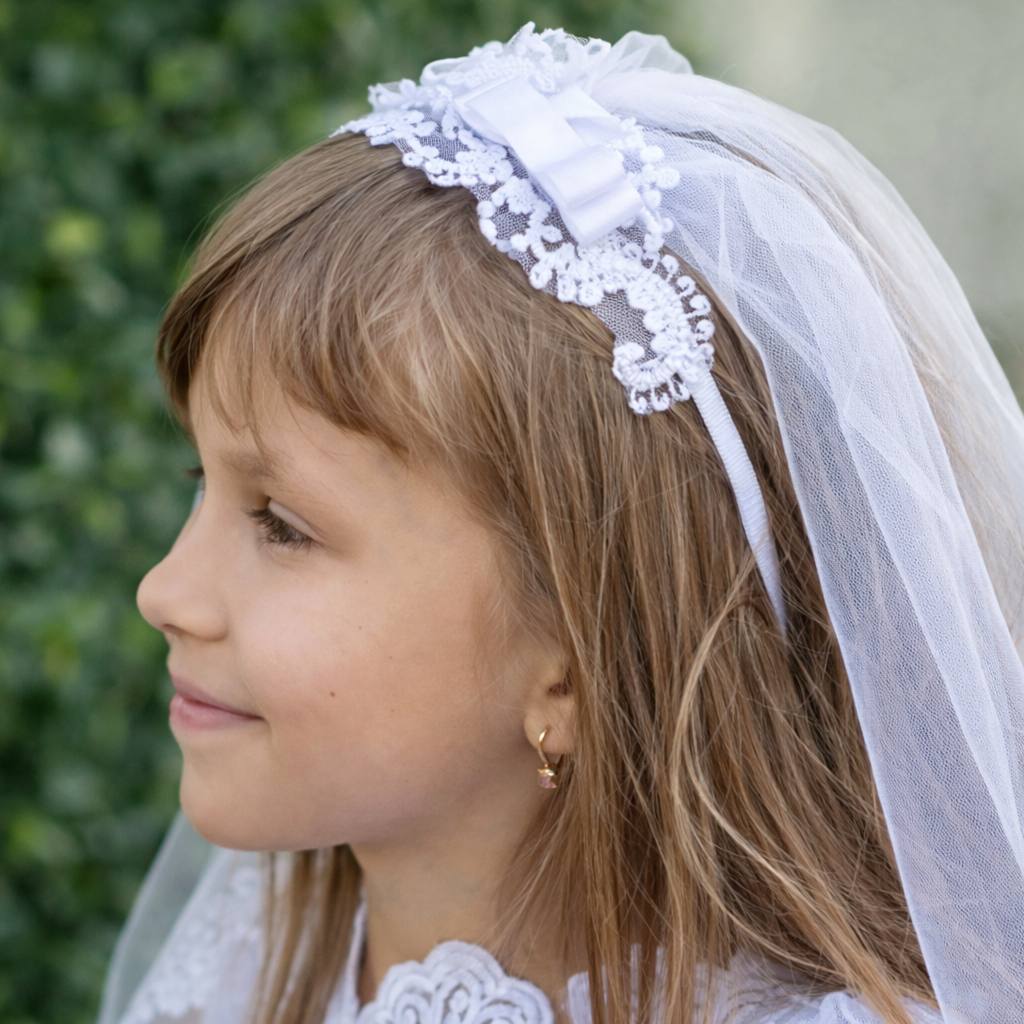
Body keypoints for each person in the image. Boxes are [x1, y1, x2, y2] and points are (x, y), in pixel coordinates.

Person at [95, 20, 1024, 1024]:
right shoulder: (242, 977)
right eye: (204, 479)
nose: (165, 592)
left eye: (280, 523)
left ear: (576, 660)